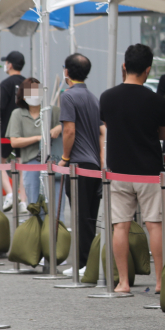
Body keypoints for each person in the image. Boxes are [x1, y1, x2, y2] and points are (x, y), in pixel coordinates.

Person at [99, 44, 165, 293]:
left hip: (118, 170)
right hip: (149, 170)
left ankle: (123, 282)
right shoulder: (156, 100)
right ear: (148, 69)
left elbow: (107, 125)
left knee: (120, 226)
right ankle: (162, 282)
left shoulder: (107, 97)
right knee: (155, 225)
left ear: (124, 66)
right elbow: (163, 134)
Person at [58, 53, 105, 267]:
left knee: (80, 217)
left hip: (78, 164)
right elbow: (101, 131)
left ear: (67, 72)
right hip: (93, 164)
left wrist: (64, 158)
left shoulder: (68, 96)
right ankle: (88, 263)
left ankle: (83, 265)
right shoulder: (93, 98)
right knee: (89, 217)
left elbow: (69, 131)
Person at [6, 78, 63, 215]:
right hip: (30, 163)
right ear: (24, 95)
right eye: (30, 92)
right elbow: (14, 141)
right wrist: (39, 138)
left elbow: (68, 125)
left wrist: (59, 128)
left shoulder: (53, 111)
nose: (35, 95)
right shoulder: (17, 114)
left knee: (56, 206)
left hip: (53, 161)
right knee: (35, 205)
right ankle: (38, 234)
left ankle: (57, 233)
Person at [0, 51, 26, 132]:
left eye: (6, 63)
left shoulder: (5, 84)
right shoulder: (31, 84)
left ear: (10, 65)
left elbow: (0, 108)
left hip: (8, 131)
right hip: (27, 132)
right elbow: (37, 107)